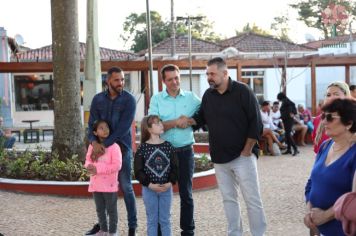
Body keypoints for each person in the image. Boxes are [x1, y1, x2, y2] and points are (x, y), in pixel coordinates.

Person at [192, 57, 267, 236]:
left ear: (225, 73)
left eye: (212, 74)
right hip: (219, 158)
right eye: (207, 74)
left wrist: (247, 150)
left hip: (243, 156)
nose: (209, 77)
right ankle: (234, 233)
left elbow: (256, 123)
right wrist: (185, 121)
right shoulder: (208, 95)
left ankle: (259, 234)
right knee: (228, 200)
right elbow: (200, 118)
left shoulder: (243, 91)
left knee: (252, 199)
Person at [148, 64, 200, 236]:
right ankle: (162, 231)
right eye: (170, 79)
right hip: (163, 153)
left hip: (185, 151)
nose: (174, 82)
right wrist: (175, 122)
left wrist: (190, 120)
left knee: (186, 193)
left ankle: (188, 231)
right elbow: (153, 125)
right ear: (163, 81)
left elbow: (204, 114)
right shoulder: (156, 99)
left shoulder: (192, 98)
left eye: (176, 77)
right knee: (161, 192)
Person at [86, 67, 137, 236]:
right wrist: (94, 142)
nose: (121, 83)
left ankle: (132, 227)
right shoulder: (98, 99)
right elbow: (91, 123)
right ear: (108, 81)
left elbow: (123, 128)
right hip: (100, 149)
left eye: (122, 80)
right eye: (117, 80)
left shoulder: (129, 100)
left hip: (121, 149)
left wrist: (104, 144)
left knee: (125, 186)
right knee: (101, 188)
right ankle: (103, 226)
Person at [304, 98, 356, 235]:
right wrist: (309, 208)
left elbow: (354, 198)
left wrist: (325, 215)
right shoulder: (325, 146)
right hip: (321, 230)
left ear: (349, 123)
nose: (324, 121)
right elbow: (312, 182)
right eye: (323, 116)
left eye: (329, 117)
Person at [134, 115, 178, 236]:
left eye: (160, 123)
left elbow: (175, 167)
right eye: (157, 123)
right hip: (149, 190)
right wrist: (149, 184)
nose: (161, 125)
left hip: (166, 189)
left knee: (165, 220)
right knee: (152, 221)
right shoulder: (142, 148)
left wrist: (170, 182)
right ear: (148, 129)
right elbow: (138, 170)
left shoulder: (168, 146)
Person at [85, 119, 122, 236]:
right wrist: (89, 167)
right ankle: (103, 230)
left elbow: (117, 165)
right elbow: (87, 161)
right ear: (95, 132)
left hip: (109, 185)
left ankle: (112, 232)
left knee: (111, 210)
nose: (105, 130)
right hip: (96, 184)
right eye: (101, 128)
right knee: (100, 210)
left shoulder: (114, 147)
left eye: (106, 127)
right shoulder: (92, 147)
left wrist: (98, 169)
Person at [312, 81, 351, 154]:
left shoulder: (352, 117)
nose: (331, 97)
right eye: (328, 95)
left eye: (336, 94)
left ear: (346, 96)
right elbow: (316, 148)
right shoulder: (318, 119)